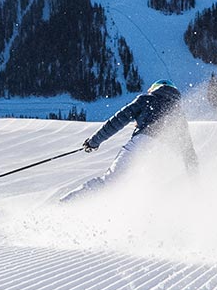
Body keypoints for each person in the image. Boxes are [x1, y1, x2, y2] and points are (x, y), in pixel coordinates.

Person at [60, 80, 199, 202]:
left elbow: (117, 121)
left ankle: (66, 204)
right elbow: (188, 151)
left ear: (154, 89)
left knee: (110, 183)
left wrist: (93, 142)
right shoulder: (178, 113)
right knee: (143, 193)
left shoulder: (146, 100)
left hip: (142, 144)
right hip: (161, 155)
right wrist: (196, 183)